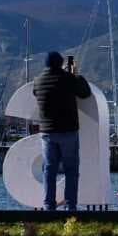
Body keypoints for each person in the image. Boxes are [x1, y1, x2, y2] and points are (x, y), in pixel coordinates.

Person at [32, 51, 91, 211]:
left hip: (47, 132)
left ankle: (48, 205)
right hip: (68, 131)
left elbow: (36, 93)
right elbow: (85, 93)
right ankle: (70, 206)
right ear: (60, 63)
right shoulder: (68, 79)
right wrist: (76, 74)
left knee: (49, 169)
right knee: (71, 169)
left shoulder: (38, 81)